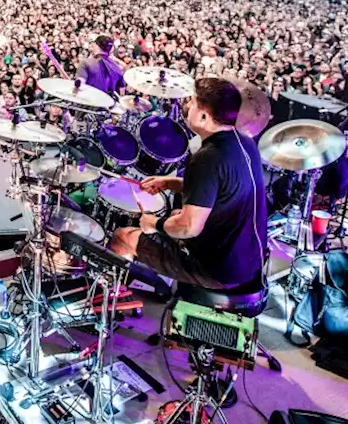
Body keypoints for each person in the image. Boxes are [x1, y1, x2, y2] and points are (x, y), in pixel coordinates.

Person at [109, 78, 268, 291]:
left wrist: (153, 223)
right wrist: (170, 182)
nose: (187, 106)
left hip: (217, 269)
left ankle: (116, 298)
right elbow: (220, 189)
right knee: (175, 214)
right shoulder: (245, 142)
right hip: (248, 257)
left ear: (203, 117)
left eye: (192, 103)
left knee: (123, 236)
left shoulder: (207, 158)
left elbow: (188, 228)